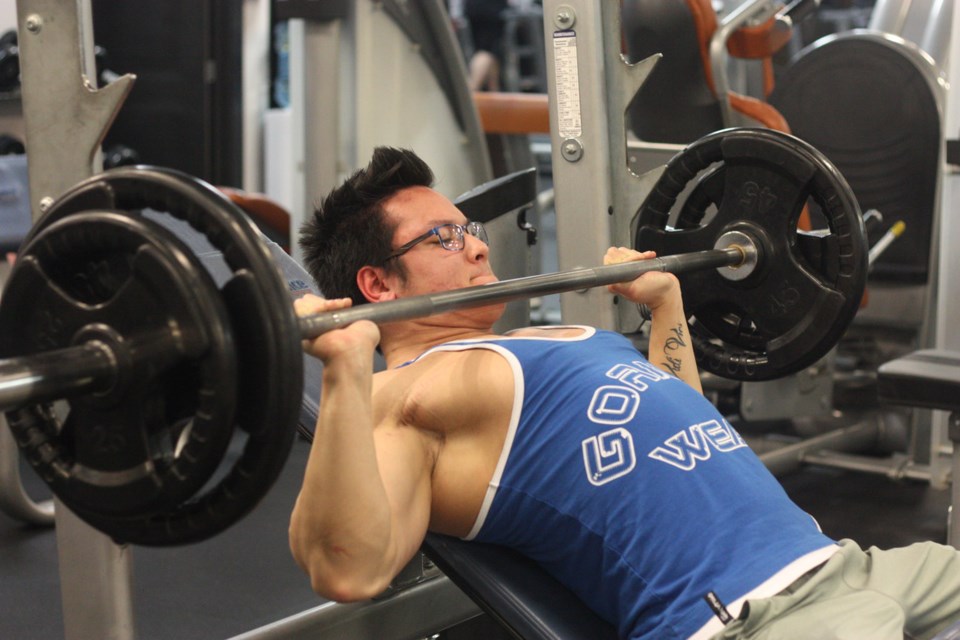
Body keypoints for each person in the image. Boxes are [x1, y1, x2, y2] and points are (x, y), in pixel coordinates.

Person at [289, 147, 960, 640]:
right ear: (379, 286)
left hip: (848, 566)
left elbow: (687, 421)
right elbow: (348, 571)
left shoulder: (555, 334)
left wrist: (666, 305)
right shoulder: (406, 395)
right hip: (761, 622)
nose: (475, 248)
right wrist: (346, 372)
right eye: (445, 237)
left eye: (469, 228)